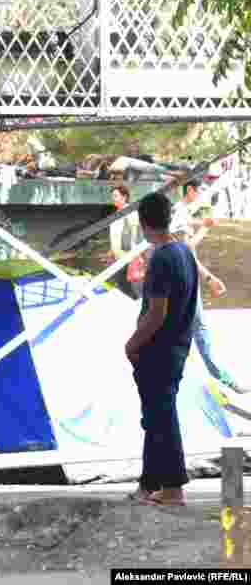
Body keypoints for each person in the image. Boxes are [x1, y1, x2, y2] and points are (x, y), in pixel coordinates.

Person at [125, 192, 199, 507]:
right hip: (178, 346)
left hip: (158, 350)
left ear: (143, 223)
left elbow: (157, 312)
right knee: (155, 417)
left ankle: (172, 486)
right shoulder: (185, 252)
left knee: (161, 417)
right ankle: (149, 484)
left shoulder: (161, 258)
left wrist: (132, 343)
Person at [169, 179, 245, 394]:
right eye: (200, 191)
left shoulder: (180, 211)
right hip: (183, 282)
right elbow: (188, 247)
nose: (202, 195)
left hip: (179, 279)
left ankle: (180, 375)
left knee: (183, 330)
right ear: (190, 191)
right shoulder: (179, 213)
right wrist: (205, 228)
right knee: (198, 330)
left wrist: (208, 277)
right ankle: (219, 377)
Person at [105, 185, 144, 299]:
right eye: (112, 196)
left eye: (116, 196)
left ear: (124, 197)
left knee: (132, 286)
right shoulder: (117, 213)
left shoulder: (131, 212)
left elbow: (139, 232)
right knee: (122, 286)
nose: (113, 198)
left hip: (129, 256)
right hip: (119, 257)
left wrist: (138, 255)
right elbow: (115, 235)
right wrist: (111, 251)